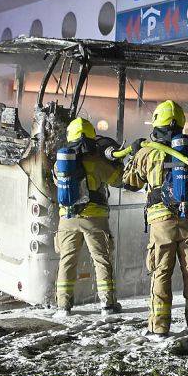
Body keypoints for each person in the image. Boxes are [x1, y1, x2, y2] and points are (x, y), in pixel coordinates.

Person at [122, 100, 188, 338]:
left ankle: (159, 327)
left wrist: (133, 154)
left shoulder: (148, 152)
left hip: (161, 222)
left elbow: (129, 183)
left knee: (161, 272)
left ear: (156, 122)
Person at [54, 117, 123, 316]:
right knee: (101, 259)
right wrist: (116, 161)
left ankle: (63, 306)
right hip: (95, 218)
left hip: (67, 218)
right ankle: (107, 305)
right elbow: (119, 180)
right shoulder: (96, 162)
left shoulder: (60, 164)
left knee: (67, 261)